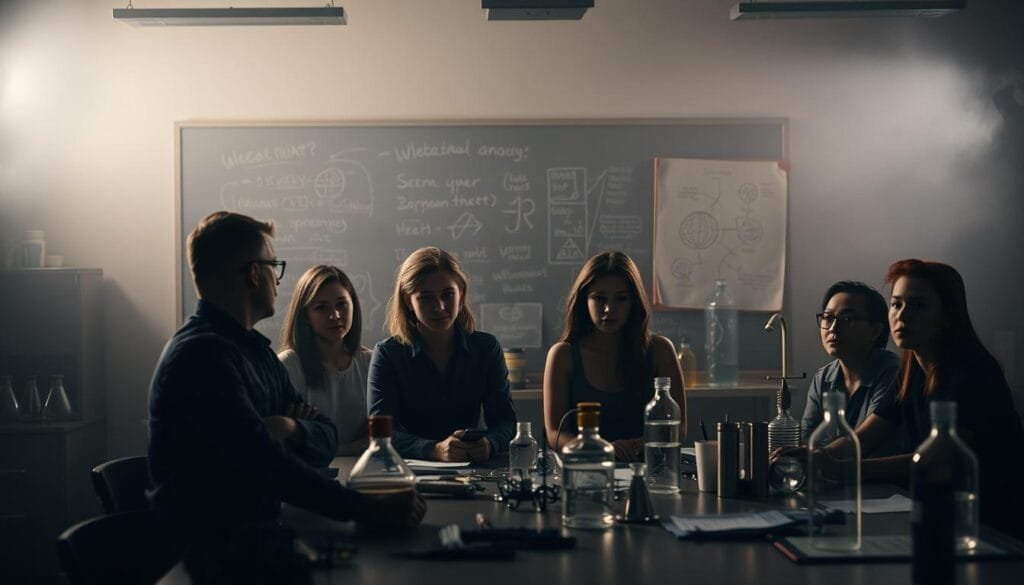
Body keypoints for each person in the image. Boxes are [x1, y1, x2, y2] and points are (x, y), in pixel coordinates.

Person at [148, 211, 425, 544]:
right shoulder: (203, 356)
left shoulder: (255, 352)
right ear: (254, 274)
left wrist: (292, 428)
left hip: (257, 537)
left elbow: (325, 438)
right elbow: (265, 462)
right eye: (274, 267)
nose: (278, 281)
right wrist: (370, 509)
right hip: (211, 550)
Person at [783, 259, 1024, 538]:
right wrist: (817, 455)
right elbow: (864, 437)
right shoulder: (912, 370)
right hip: (939, 512)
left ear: (948, 316)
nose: (902, 315)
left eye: (918, 306)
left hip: (990, 521)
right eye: (896, 304)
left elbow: (936, 459)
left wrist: (844, 470)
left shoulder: (972, 370)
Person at [367, 247, 517, 462]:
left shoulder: (486, 348)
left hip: (471, 468)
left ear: (461, 294)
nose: (439, 307)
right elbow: (381, 432)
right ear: (408, 301)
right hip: (410, 470)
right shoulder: (388, 354)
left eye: (448, 294)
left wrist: (490, 444)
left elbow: (506, 422)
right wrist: (434, 449)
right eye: (426, 298)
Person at [543, 251, 686, 461]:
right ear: (584, 300)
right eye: (599, 298)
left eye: (621, 299)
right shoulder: (563, 355)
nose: (609, 309)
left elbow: (679, 428)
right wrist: (601, 449)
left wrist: (637, 446)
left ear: (634, 302)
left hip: (647, 468)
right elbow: (555, 433)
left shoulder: (660, 350)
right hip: (586, 469)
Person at [800, 281, 903, 456]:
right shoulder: (823, 377)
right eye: (828, 317)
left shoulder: (893, 372)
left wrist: (816, 454)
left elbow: (866, 441)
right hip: (830, 470)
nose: (833, 328)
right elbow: (807, 439)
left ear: (875, 331)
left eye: (847, 319)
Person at [279, 265, 372, 456]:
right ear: (305, 315)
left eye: (341, 304)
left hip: (365, 468)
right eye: (321, 308)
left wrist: (315, 444)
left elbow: (383, 437)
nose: (335, 315)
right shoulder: (289, 365)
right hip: (309, 471)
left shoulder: (370, 362)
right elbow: (285, 442)